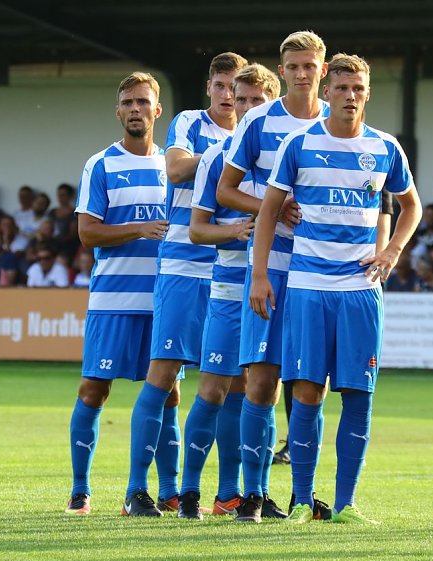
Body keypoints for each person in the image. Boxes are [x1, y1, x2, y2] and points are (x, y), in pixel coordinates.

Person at [251, 53, 422, 523]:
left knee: (358, 393)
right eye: (343, 88)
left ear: (367, 94)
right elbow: (268, 212)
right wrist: (261, 274)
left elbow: (412, 207)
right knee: (306, 391)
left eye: (359, 90)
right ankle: (303, 501)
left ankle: (346, 504)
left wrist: (391, 253)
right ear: (327, 92)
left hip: (360, 290)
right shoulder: (299, 145)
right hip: (306, 285)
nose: (350, 97)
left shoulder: (386, 148)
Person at [217, 31, 333, 523]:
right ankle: (253, 495)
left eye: (311, 65)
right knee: (261, 382)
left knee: (312, 386)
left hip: (322, 275)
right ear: (281, 70)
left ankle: (302, 497)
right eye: (294, 66)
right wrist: (274, 205)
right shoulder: (260, 121)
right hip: (269, 270)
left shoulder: (339, 122)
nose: (303, 73)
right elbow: (226, 190)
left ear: (322, 70)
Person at [125, 51, 246, 517]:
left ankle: (229, 493)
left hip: (231, 268)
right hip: (183, 263)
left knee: (234, 383)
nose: (228, 95)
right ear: (210, 88)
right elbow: (174, 170)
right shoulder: (191, 124)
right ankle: (139, 490)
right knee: (164, 376)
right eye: (220, 85)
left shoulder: (255, 130)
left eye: (235, 88)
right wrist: (232, 154)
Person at [176, 63, 279, 520]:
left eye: (258, 101)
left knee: (260, 390)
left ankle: (243, 494)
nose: (248, 109)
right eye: (241, 101)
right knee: (214, 389)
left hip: (276, 287)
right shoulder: (217, 159)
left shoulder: (289, 154)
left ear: (271, 105)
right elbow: (196, 230)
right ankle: (190, 493)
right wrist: (234, 229)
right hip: (227, 288)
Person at [65, 72, 169, 518]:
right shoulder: (101, 164)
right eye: (127, 102)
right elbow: (87, 232)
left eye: (143, 102)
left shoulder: (175, 166)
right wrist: (137, 229)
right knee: (94, 389)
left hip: (165, 298)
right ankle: (80, 489)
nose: (134, 109)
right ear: (117, 110)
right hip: (113, 299)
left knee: (169, 394)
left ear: (156, 110)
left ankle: (165, 492)